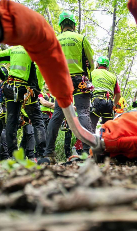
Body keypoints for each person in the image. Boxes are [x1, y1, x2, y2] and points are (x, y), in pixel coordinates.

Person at [44, 11, 94, 163]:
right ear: (73, 24)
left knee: (58, 114)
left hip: (61, 81)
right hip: (79, 79)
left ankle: (49, 153)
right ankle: (87, 152)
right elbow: (91, 63)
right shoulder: (81, 38)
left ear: (61, 25)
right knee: (84, 113)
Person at [0, 45, 47, 159]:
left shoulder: (13, 49)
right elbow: (39, 68)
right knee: (37, 121)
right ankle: (42, 154)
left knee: (11, 120)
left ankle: (13, 156)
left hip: (10, 88)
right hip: (28, 90)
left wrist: (3, 78)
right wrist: (38, 87)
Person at [90, 56, 121, 133]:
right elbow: (118, 94)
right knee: (108, 128)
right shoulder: (113, 76)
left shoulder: (92, 73)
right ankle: (107, 142)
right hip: (109, 103)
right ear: (107, 66)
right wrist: (114, 104)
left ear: (97, 64)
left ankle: (89, 144)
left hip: (96, 102)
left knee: (91, 125)